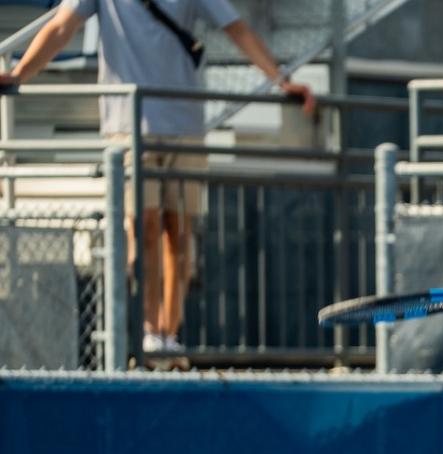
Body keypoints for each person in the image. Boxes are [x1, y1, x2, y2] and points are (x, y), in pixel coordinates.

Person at [0, 0, 314, 357]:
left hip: (185, 122)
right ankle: (152, 330)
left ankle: (169, 333)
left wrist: (282, 81)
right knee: (144, 225)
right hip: (128, 123)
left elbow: (236, 28)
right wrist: (19, 73)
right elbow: (61, 27)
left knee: (178, 232)